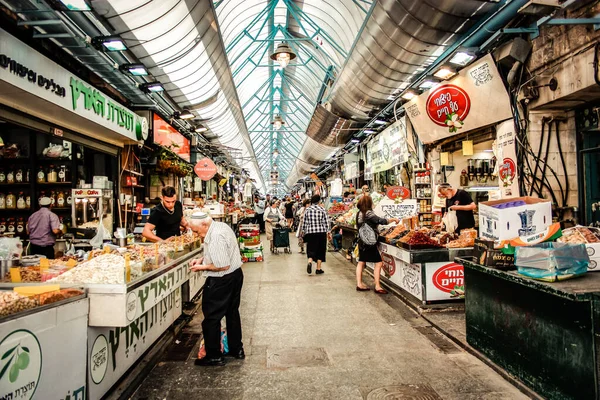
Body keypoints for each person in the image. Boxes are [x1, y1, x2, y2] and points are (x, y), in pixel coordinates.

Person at [188, 213, 244, 366]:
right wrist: (202, 259)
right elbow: (220, 254)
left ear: (204, 225)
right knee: (232, 313)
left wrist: (202, 267)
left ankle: (213, 355)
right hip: (235, 275)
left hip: (222, 279)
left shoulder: (216, 236)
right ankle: (236, 349)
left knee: (212, 317)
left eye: (196, 231)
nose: (196, 234)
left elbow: (222, 265)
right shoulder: (220, 227)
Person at [355, 195, 399, 293]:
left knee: (361, 262)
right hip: (369, 242)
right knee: (378, 262)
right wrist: (393, 219)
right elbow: (380, 221)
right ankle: (377, 286)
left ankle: (359, 284)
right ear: (368, 203)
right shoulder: (368, 213)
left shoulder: (359, 213)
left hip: (362, 241)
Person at [301, 195, 330, 275]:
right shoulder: (322, 209)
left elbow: (304, 222)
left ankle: (310, 261)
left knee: (311, 249)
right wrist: (328, 231)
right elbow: (326, 222)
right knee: (320, 250)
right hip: (321, 232)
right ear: (319, 201)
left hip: (310, 232)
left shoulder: (307, 210)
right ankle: (318, 268)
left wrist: (303, 232)